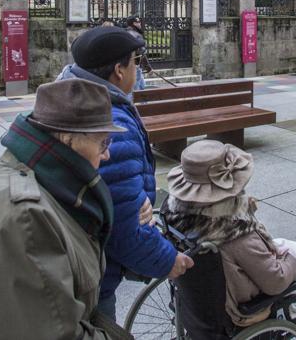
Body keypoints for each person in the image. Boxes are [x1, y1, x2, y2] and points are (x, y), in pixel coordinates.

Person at [0, 79, 132, 339]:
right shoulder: (26, 216)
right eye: (103, 142)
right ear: (69, 142)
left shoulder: (45, 177)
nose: (107, 155)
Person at [162, 140, 296, 340]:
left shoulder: (176, 217)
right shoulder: (234, 233)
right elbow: (276, 281)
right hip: (246, 297)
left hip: (207, 298)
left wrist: (243, 207)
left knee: (295, 250)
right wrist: (291, 261)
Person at [57, 25, 194, 320]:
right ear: (119, 70)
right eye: (135, 62)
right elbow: (124, 227)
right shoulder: (111, 121)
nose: (137, 69)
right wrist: (168, 260)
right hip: (89, 274)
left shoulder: (72, 97)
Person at [126, 15, 152, 91]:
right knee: (137, 92)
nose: (140, 23)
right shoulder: (136, 35)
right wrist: (148, 68)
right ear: (134, 23)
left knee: (142, 89)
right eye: (138, 22)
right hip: (135, 67)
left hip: (130, 66)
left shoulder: (126, 33)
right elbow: (141, 53)